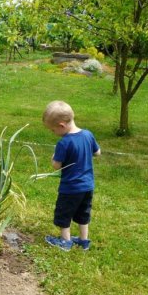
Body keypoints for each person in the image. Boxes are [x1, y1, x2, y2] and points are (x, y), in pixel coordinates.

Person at [42, 101, 101, 251]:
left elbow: (56, 165)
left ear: (62, 126)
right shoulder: (88, 134)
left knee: (64, 213)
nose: (53, 133)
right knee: (83, 213)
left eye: (53, 130)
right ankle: (83, 240)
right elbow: (97, 153)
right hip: (87, 186)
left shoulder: (64, 142)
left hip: (70, 188)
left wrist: (54, 156)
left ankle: (65, 241)